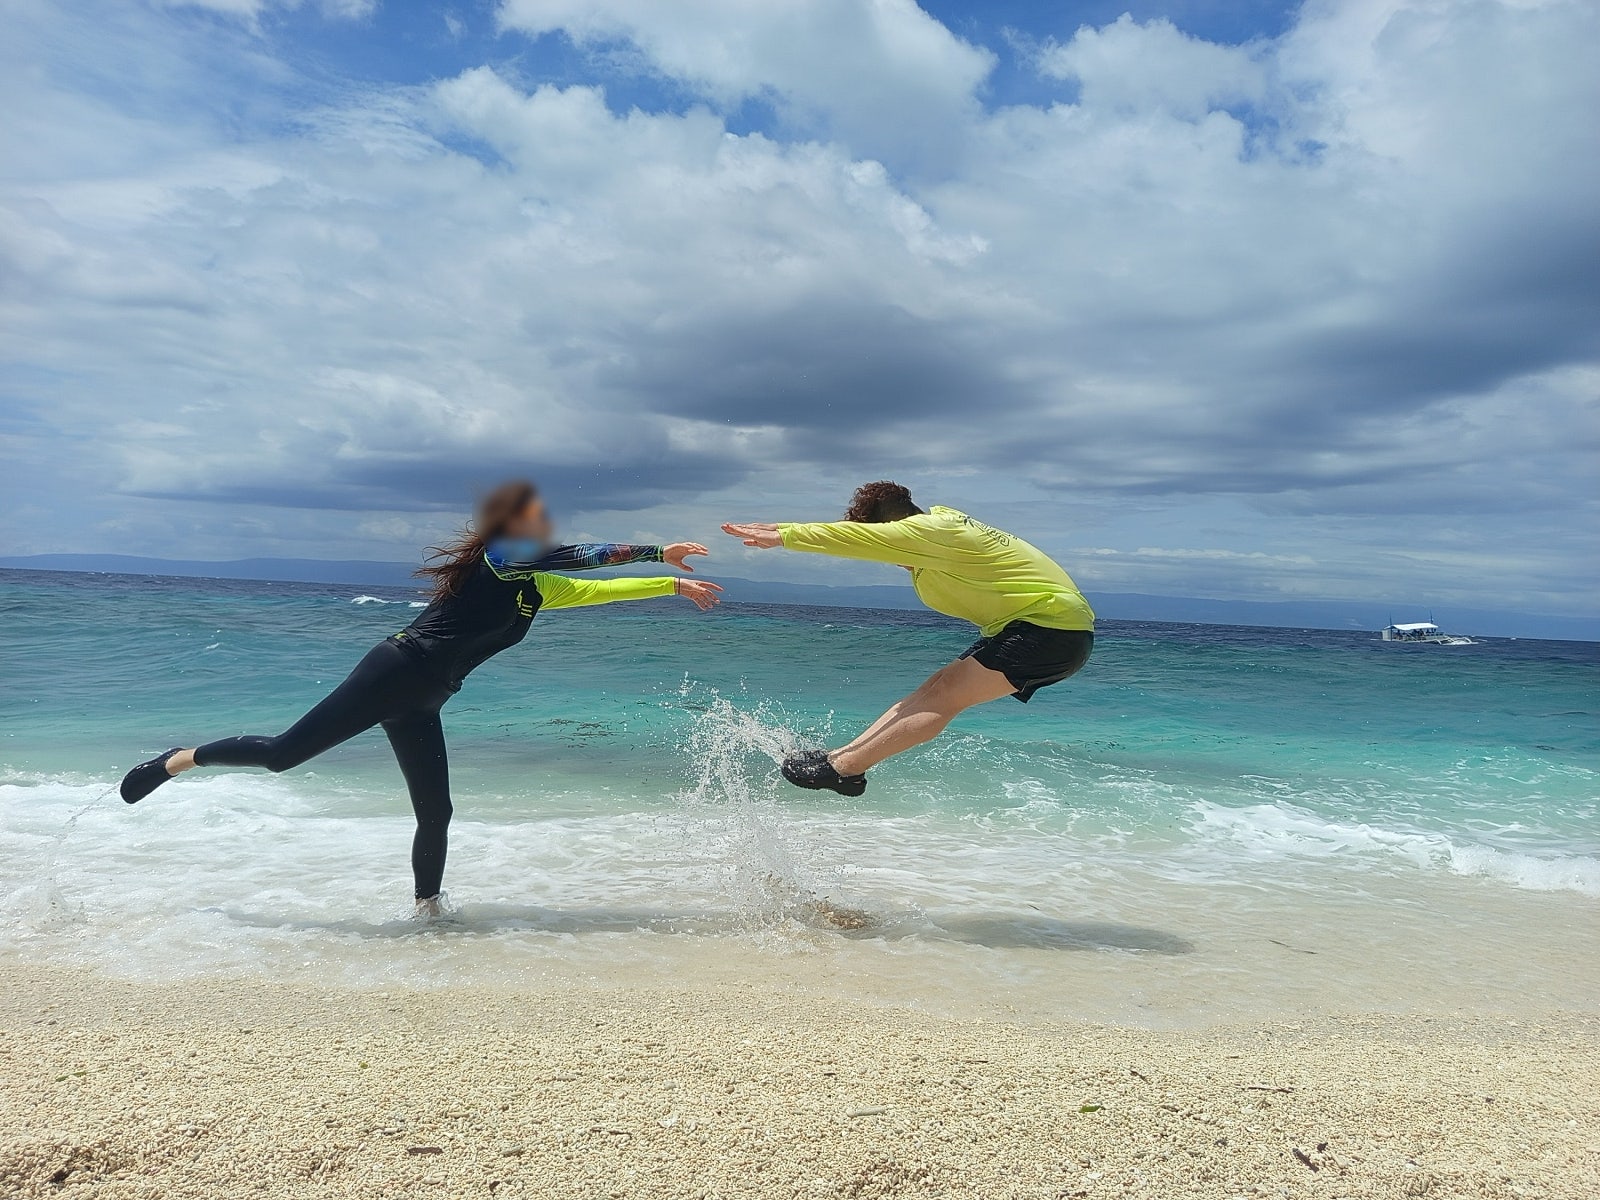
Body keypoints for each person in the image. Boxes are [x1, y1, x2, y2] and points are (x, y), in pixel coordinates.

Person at [119, 479, 722, 915]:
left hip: (427, 698)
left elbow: (597, 590)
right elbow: (579, 556)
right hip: (394, 670)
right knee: (282, 756)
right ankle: (178, 759)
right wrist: (654, 549)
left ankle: (427, 911)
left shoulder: (539, 590)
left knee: (437, 813)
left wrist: (672, 583)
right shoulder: (502, 558)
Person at [722, 481, 1093, 796]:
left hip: (1051, 628)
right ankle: (841, 758)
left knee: (947, 697)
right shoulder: (940, 533)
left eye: (887, 545)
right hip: (1037, 625)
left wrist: (785, 534)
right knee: (938, 686)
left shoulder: (932, 532)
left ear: (893, 526)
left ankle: (845, 769)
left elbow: (854, 540)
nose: (890, 556)